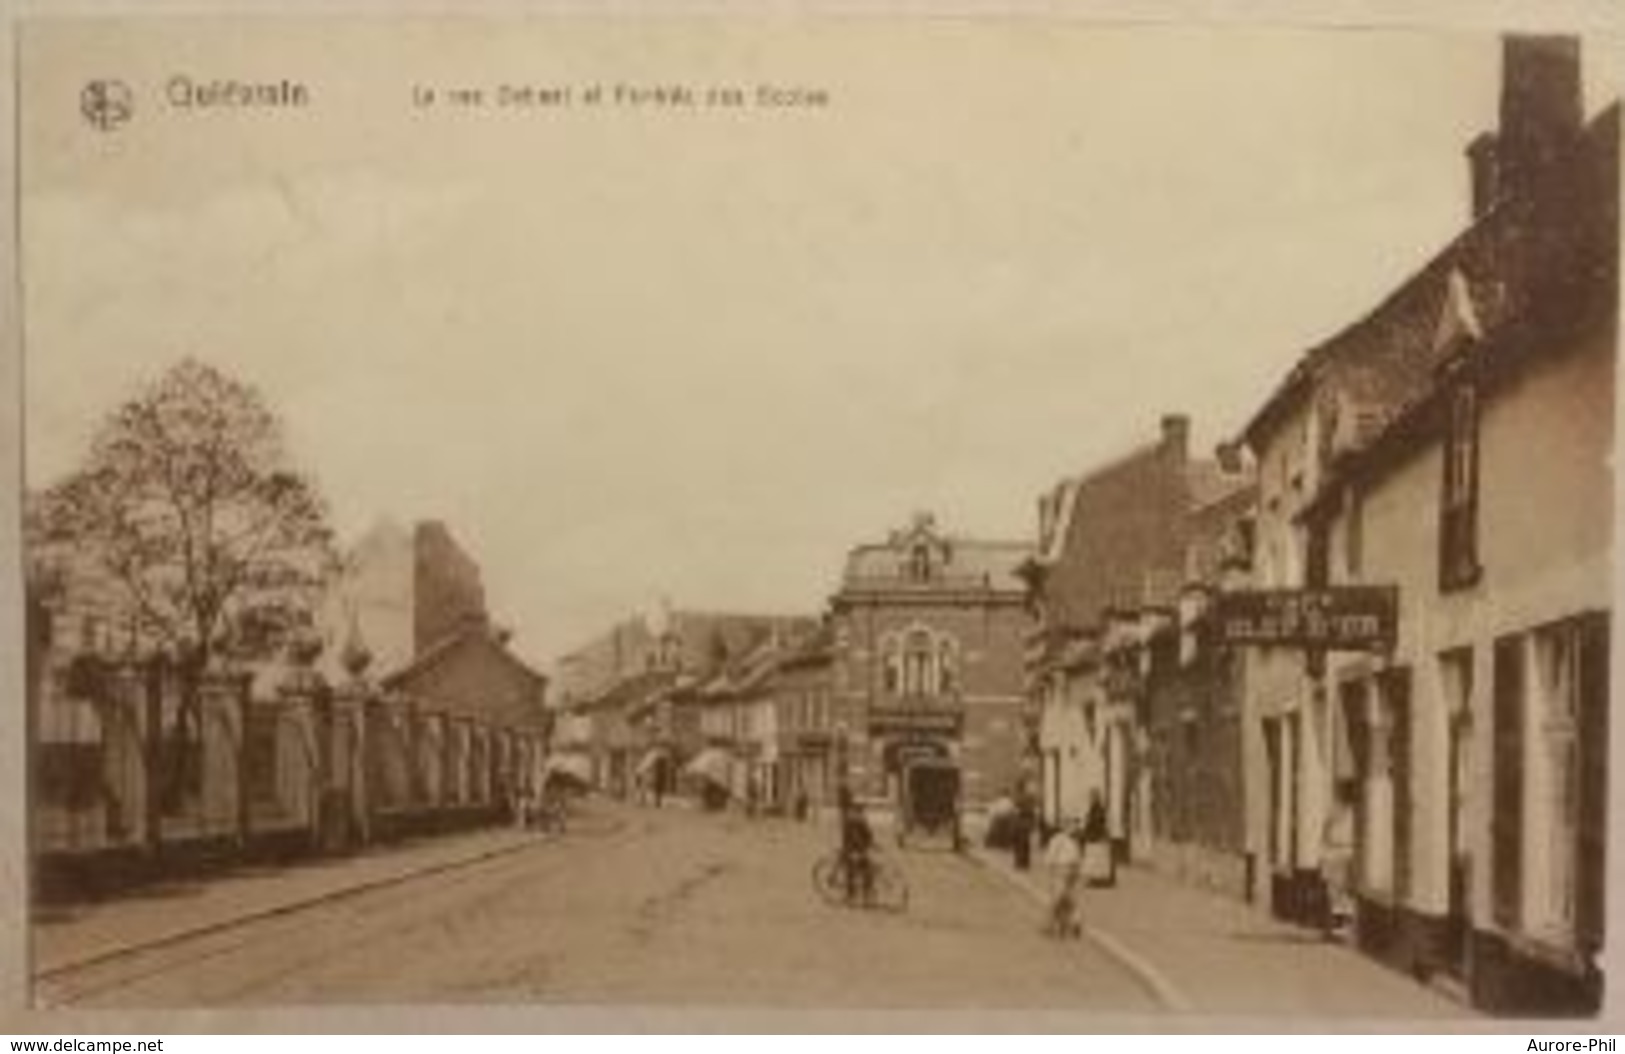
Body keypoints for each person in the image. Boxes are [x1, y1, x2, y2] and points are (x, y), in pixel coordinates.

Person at [1044, 819, 1085, 938]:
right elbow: (1078, 857)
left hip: (1062, 869)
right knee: (1069, 898)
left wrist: (1050, 869)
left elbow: (1050, 856)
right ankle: (1073, 922)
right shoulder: (1070, 841)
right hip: (1070, 869)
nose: (1073, 829)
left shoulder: (1058, 840)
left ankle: (1051, 925)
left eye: (1074, 827)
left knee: (1058, 898)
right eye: (1071, 827)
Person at [840, 799, 876, 905]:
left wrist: (847, 848)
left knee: (853, 871)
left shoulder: (850, 819)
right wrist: (868, 845)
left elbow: (847, 837)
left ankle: (853, 895)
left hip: (856, 848)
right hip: (858, 849)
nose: (862, 810)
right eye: (861, 808)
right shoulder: (859, 819)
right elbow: (868, 835)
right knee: (864, 870)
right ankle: (864, 894)